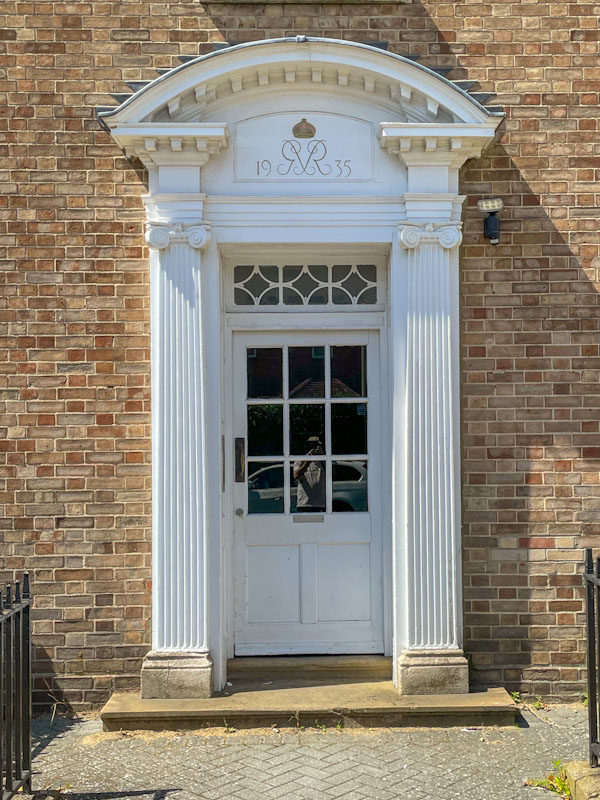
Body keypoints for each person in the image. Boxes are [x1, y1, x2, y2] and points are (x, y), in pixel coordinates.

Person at [293, 436, 326, 512]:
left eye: (317, 446)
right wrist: (308, 460)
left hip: (320, 503)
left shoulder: (323, 461)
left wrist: (323, 456)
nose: (314, 449)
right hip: (304, 503)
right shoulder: (301, 460)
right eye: (313, 445)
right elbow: (296, 475)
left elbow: (333, 474)